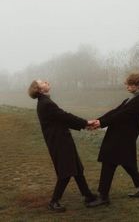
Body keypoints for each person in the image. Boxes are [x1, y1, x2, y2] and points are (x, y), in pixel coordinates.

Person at [28, 80, 97, 212]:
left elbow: (61, 119)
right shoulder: (46, 103)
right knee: (66, 172)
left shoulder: (45, 102)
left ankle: (88, 195)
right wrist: (86, 123)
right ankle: (54, 201)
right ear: (39, 89)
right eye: (42, 82)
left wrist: (84, 125)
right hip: (59, 141)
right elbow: (65, 116)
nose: (46, 82)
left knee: (77, 168)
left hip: (62, 139)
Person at [87, 73, 139, 207]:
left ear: (138, 85)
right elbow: (115, 111)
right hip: (120, 138)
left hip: (123, 139)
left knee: (108, 163)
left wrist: (101, 123)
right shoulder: (130, 99)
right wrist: (98, 121)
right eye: (127, 84)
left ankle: (103, 196)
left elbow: (120, 116)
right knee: (129, 164)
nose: (127, 86)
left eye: (130, 84)